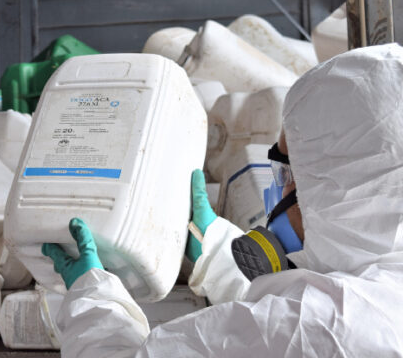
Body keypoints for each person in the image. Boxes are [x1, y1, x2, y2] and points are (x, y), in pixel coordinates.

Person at [41, 44, 403, 357]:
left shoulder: (317, 327)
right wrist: (217, 254)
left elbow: (283, 330)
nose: (280, 190)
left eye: (290, 172)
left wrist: (92, 298)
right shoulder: (376, 294)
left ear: (340, 189)